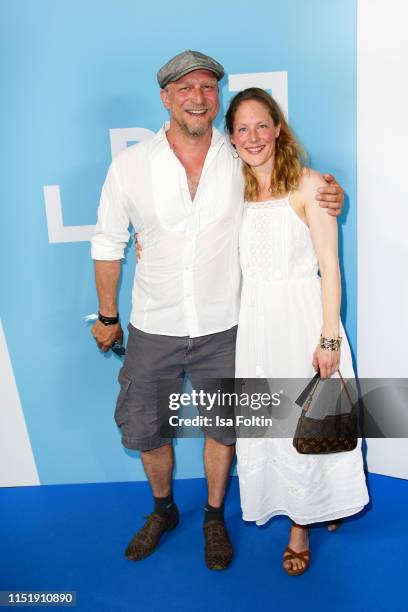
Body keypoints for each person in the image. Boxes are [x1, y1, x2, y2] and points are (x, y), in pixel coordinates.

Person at [90, 50, 345, 571]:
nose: (196, 98)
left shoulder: (238, 157)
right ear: (165, 98)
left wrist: (329, 191)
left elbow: (289, 190)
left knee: (225, 428)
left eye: (207, 88)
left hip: (227, 327)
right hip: (153, 324)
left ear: (218, 99)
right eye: (184, 89)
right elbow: (108, 241)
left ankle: (213, 515)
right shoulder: (131, 165)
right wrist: (108, 316)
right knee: (146, 428)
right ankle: (162, 511)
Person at [225, 87, 369, 575]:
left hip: (303, 319)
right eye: (242, 128)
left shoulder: (309, 185)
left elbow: (330, 266)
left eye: (261, 125)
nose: (253, 137)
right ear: (231, 137)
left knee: (311, 421)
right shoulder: (229, 192)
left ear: (278, 127)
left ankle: (303, 523)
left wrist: (329, 337)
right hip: (256, 328)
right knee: (272, 428)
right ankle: (309, 506)